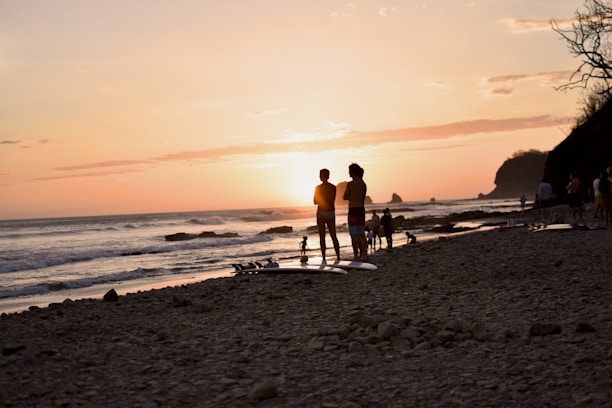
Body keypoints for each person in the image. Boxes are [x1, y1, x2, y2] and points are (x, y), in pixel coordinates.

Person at [313, 168, 340, 262]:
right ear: (328, 176)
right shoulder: (333, 187)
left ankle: (324, 258)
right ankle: (338, 256)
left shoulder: (318, 188)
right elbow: (332, 200)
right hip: (331, 212)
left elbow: (315, 201)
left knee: (322, 236)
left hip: (321, 213)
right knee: (333, 235)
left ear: (321, 176)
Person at [343, 163, 368, 261]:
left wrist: (351, 195)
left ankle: (356, 255)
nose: (348, 173)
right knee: (361, 233)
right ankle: (365, 254)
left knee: (353, 234)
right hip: (361, 209)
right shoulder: (363, 184)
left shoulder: (350, 184)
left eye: (349, 171)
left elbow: (345, 197)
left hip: (353, 209)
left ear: (353, 172)